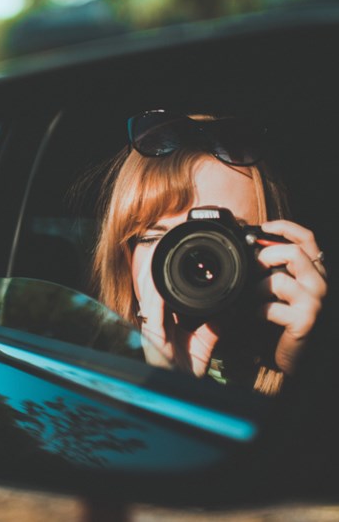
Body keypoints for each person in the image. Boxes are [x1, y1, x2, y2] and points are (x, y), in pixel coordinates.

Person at [92, 111, 327, 395]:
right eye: (154, 236)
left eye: (225, 235)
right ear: (123, 259)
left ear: (278, 247)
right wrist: (165, 385)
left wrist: (310, 363)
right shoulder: (92, 375)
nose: (194, 258)